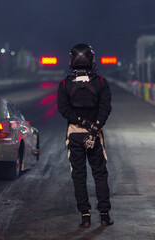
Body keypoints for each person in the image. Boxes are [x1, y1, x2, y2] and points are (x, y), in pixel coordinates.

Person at [57, 43, 113, 228]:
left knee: (79, 175)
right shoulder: (101, 82)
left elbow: (64, 109)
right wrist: (94, 127)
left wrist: (82, 122)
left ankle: (85, 216)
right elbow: (105, 108)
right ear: (91, 60)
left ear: (72, 61)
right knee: (100, 173)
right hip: (95, 135)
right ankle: (104, 215)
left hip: (74, 134)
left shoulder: (65, 84)